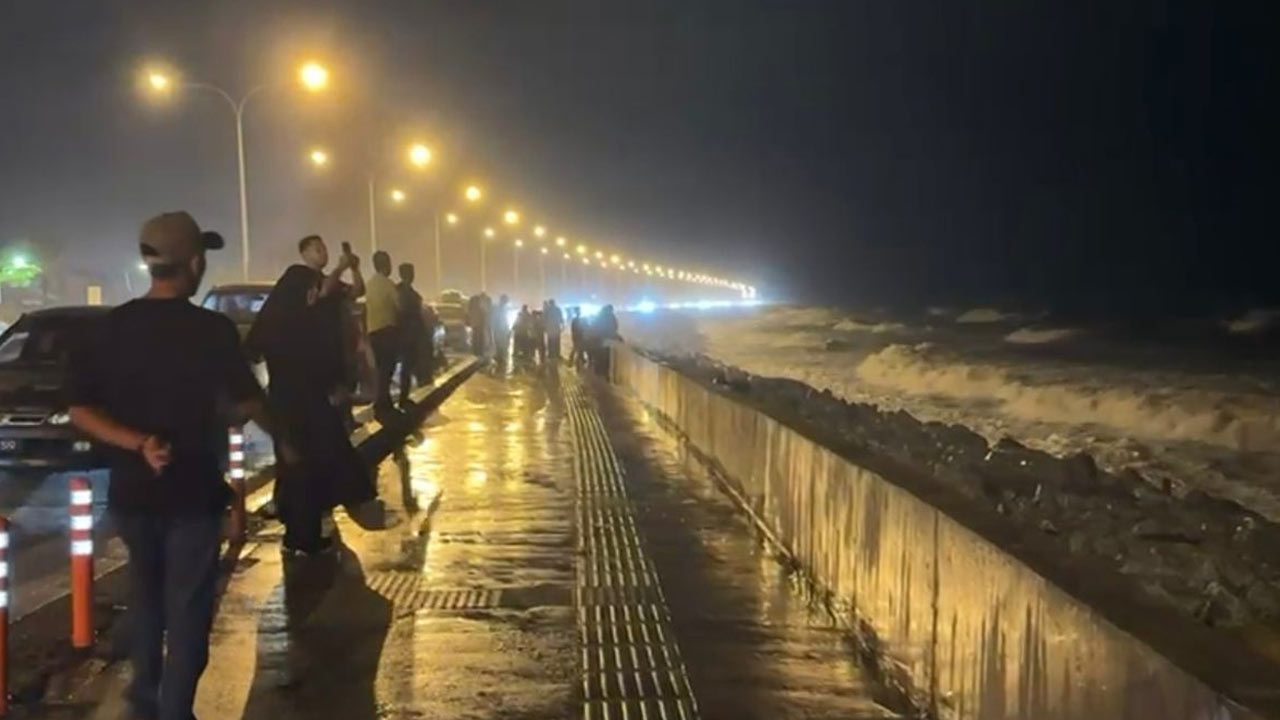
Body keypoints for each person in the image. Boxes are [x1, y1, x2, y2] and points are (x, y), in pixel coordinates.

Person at [68, 211, 296, 720]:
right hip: (192, 494)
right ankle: (174, 711)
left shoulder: (111, 328)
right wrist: (284, 440)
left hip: (132, 495)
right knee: (189, 609)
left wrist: (139, 443)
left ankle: (144, 704)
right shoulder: (211, 330)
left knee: (147, 603)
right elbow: (248, 401)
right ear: (194, 263)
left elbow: (80, 409)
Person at [246, 236, 376, 555]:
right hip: (294, 386)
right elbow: (319, 295)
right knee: (309, 454)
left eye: (324, 248)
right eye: (316, 248)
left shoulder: (325, 284)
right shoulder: (298, 277)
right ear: (304, 253)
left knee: (304, 457)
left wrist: (354, 269)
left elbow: (356, 291)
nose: (322, 252)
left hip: (312, 383)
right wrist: (341, 268)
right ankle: (305, 531)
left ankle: (302, 528)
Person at [365, 251, 401, 420]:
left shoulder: (369, 284)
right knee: (387, 368)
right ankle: (383, 404)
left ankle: (382, 402)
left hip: (373, 332)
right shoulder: (388, 284)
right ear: (385, 264)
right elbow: (399, 305)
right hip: (387, 331)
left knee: (381, 369)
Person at [396, 262, 427, 407]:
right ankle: (402, 399)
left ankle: (403, 397)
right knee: (405, 369)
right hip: (407, 335)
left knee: (406, 369)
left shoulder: (399, 291)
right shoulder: (407, 294)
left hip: (404, 334)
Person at [589, 304, 620, 376]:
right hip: (607, 339)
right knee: (606, 356)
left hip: (599, 339)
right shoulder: (611, 317)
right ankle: (605, 370)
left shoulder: (599, 316)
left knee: (599, 355)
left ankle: (598, 370)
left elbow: (594, 326)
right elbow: (615, 327)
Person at [491, 294, 511, 363]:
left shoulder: (503, 309)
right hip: (498, 330)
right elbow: (494, 319)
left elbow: (504, 320)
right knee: (499, 343)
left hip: (502, 330)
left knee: (501, 344)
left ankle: (500, 357)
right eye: (505, 301)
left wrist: (507, 329)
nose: (506, 303)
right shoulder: (497, 308)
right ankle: (499, 357)